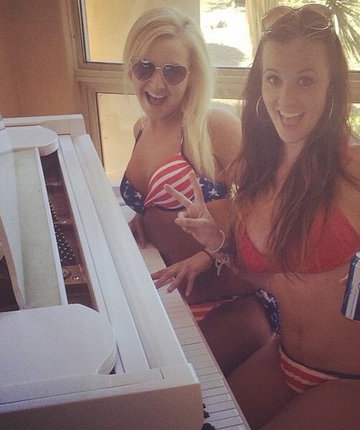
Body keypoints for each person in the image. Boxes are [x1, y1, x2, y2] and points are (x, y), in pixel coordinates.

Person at [165, 4, 360, 429]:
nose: (285, 100)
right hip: (284, 358)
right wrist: (218, 245)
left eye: (305, 80)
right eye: (274, 79)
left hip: (358, 379)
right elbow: (272, 281)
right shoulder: (256, 166)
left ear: (331, 85)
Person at [120, 6, 278, 374]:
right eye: (145, 67)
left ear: (192, 76)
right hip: (176, 302)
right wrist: (145, 217)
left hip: (233, 303)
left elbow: (273, 207)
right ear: (131, 67)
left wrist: (210, 254)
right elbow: (161, 205)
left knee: (173, 393)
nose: (157, 85)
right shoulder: (141, 129)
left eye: (173, 72)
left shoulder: (212, 126)